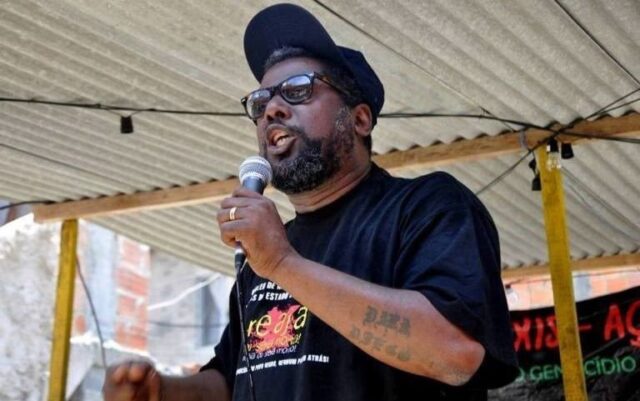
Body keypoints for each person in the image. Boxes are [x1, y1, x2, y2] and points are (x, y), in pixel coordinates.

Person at [103, 3, 518, 401]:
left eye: (298, 89)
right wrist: (161, 392)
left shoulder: (426, 207)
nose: (272, 110)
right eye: (260, 102)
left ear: (359, 119)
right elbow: (236, 381)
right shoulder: (263, 255)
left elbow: (456, 353)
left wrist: (283, 265)